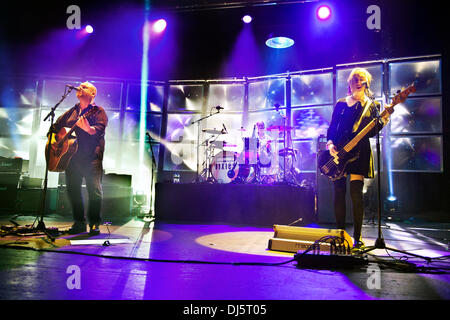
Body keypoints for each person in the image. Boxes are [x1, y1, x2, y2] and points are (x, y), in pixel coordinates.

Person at [326, 68, 390, 249]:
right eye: (355, 79)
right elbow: (332, 128)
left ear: (367, 82)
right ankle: (339, 234)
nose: (358, 82)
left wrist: (384, 119)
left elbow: (372, 133)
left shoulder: (372, 105)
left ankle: (358, 237)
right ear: (349, 83)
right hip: (339, 150)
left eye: (361, 79)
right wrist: (330, 144)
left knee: (356, 195)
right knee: (339, 192)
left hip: (360, 152)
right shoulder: (341, 103)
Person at [50, 82, 108, 235]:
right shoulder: (72, 111)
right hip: (72, 158)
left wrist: (88, 129)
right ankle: (79, 223)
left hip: (91, 158)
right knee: (73, 190)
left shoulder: (98, 111)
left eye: (85, 87)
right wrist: (54, 141)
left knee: (94, 191)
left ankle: (94, 223)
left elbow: (99, 130)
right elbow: (55, 127)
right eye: (80, 86)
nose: (80, 87)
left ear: (93, 94)